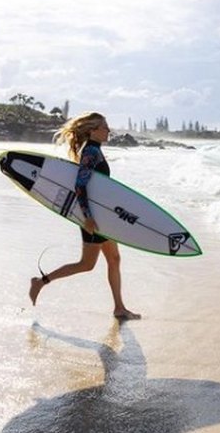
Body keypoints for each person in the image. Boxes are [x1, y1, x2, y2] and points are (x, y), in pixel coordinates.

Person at [28, 112, 141, 320]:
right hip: (93, 217)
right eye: (105, 127)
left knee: (114, 259)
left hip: (103, 216)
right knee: (87, 265)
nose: (109, 130)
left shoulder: (95, 150)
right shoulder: (90, 151)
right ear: (93, 130)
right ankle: (40, 282)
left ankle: (119, 308)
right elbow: (80, 186)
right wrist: (88, 217)